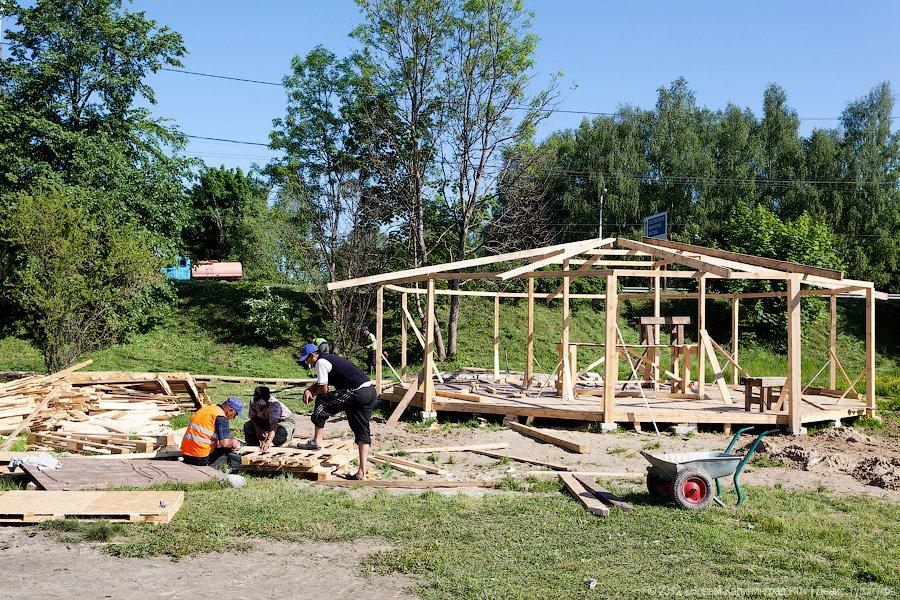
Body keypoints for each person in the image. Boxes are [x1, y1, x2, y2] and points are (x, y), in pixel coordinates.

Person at [298, 343, 376, 480]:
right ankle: (361, 473)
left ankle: (317, 441)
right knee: (362, 431)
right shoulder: (329, 358)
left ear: (312, 356)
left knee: (322, 402)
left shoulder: (320, 362)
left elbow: (323, 390)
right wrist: (310, 389)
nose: (307, 363)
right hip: (369, 391)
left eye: (307, 359)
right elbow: (322, 382)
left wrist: (312, 393)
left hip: (356, 392)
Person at [180, 397, 243, 467]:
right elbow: (225, 443)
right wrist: (233, 442)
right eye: (235, 414)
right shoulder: (221, 417)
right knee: (228, 449)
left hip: (186, 454)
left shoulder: (207, 409)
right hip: (200, 457)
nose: (233, 418)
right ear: (230, 410)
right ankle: (212, 469)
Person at [243, 386, 297, 451]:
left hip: (283, 421)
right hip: (265, 419)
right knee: (248, 427)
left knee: (279, 437)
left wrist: (268, 441)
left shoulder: (274, 405)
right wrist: (258, 429)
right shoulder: (253, 401)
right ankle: (252, 448)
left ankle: (289, 434)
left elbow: (273, 427)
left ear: (268, 399)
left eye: (262, 404)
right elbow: (253, 417)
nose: (260, 406)